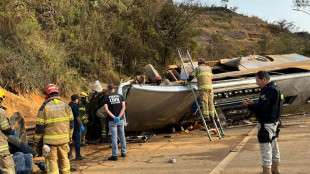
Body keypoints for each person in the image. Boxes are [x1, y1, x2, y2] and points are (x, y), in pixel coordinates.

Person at [242, 71, 283, 174]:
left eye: (257, 81)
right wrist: (254, 103)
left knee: (266, 148)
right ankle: (275, 169)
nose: (257, 83)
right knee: (274, 145)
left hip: (266, 124)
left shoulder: (267, 91)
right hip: (274, 122)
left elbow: (261, 108)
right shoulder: (278, 89)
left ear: (264, 79)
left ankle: (266, 170)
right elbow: (269, 106)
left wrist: (249, 106)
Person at [33, 84, 74, 174]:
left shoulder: (44, 108)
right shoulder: (67, 106)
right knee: (64, 159)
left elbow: (39, 128)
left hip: (50, 142)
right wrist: (70, 136)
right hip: (64, 140)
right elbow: (71, 124)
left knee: (51, 162)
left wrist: (36, 141)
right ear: (57, 93)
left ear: (47, 95)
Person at [103, 84, 126, 161]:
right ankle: (123, 152)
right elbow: (124, 107)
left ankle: (114, 155)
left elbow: (106, 109)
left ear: (109, 90)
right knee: (122, 136)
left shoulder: (106, 97)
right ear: (114, 89)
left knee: (114, 137)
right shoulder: (120, 96)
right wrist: (119, 117)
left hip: (112, 120)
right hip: (121, 119)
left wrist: (114, 117)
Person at [0, 90, 17, 174]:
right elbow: (6, 129)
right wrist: (12, 132)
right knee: (8, 168)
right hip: (1, 148)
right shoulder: (1, 112)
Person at [68, 94, 86, 161]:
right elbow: (77, 117)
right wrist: (81, 125)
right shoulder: (75, 106)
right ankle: (78, 155)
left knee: (70, 140)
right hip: (75, 126)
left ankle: (69, 155)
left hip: (69, 126)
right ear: (76, 100)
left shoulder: (68, 105)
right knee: (77, 141)